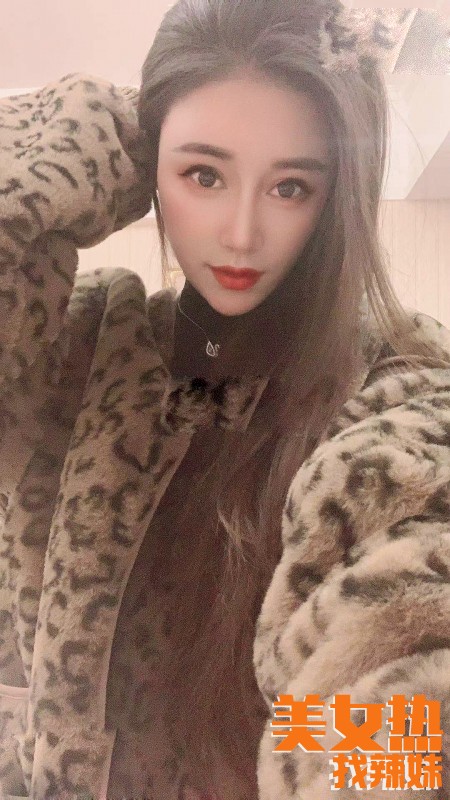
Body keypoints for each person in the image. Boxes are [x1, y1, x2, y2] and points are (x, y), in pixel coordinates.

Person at [0, 1, 449, 798]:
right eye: (203, 175)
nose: (241, 234)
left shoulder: (390, 381)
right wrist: (61, 144)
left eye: (291, 187)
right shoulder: (74, 345)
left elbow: (400, 687)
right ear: (148, 165)